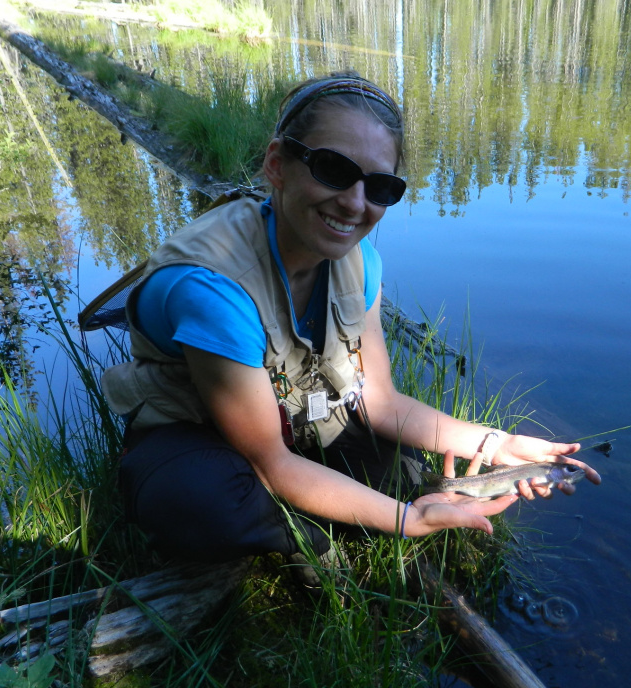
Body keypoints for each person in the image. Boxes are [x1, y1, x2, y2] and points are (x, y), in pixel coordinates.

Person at [100, 73, 600, 566]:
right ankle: (313, 550)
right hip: (197, 437)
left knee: (402, 471)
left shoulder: (360, 264)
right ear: (277, 163)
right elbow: (268, 460)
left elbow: (380, 402)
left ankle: (341, 515)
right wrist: (408, 521)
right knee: (205, 503)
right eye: (333, 170)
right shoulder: (213, 289)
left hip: (292, 426)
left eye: (380, 186)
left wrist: (498, 444)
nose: (355, 203)